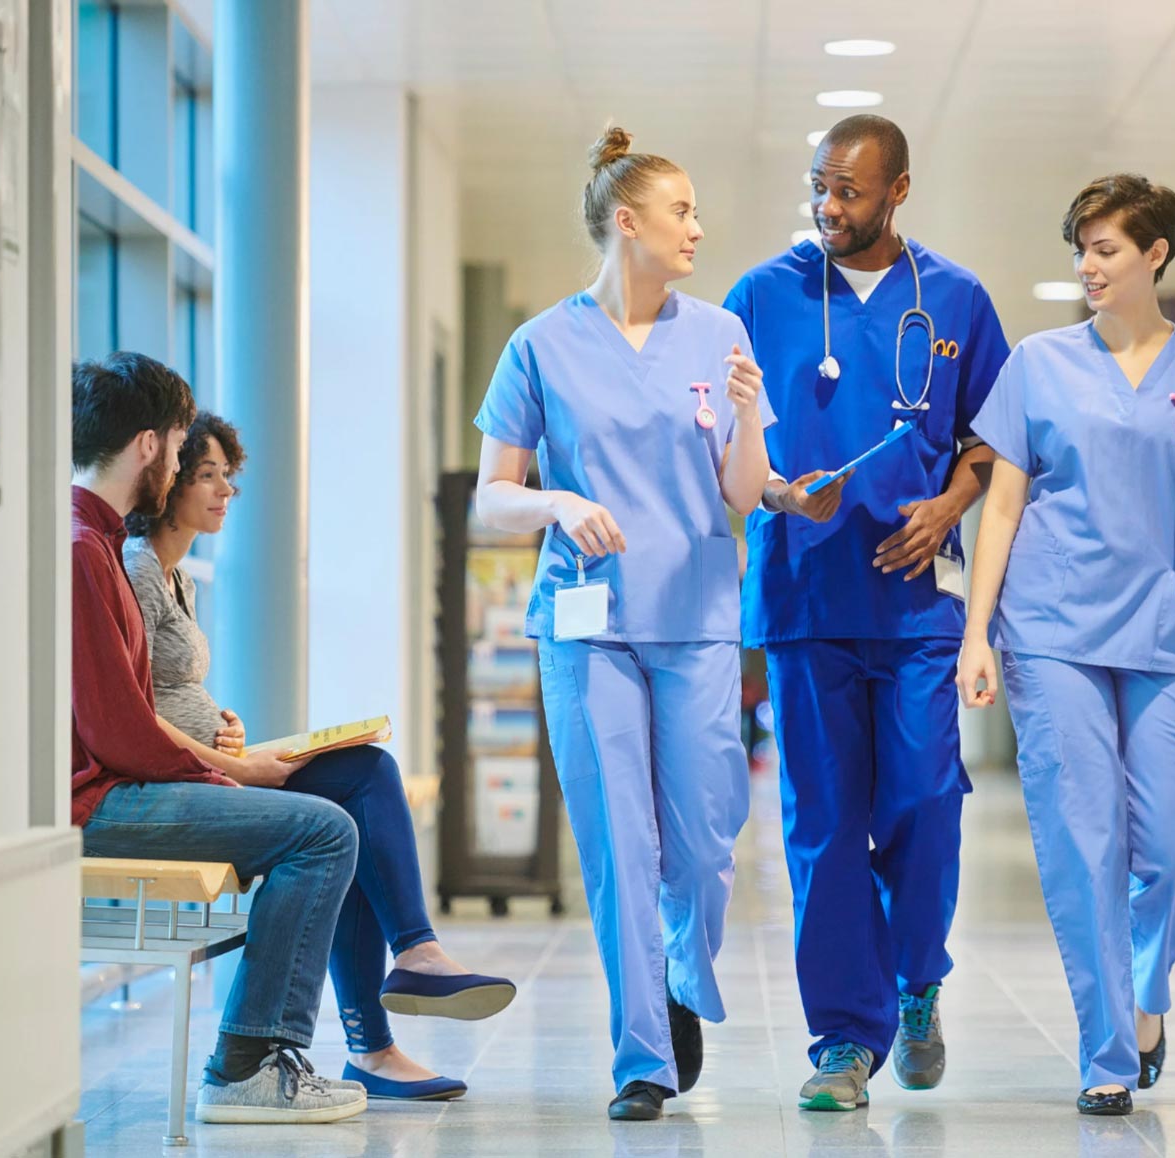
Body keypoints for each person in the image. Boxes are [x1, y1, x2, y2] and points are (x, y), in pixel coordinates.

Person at [957, 174, 1175, 1116]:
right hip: (1051, 633)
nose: (1087, 266)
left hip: (1160, 635)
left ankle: (1143, 993)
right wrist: (978, 633)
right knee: (1082, 842)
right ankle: (1106, 1054)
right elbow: (1005, 504)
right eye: (1080, 249)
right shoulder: (1039, 363)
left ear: (1156, 254)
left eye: (1104, 248)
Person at [471, 126, 773, 1121]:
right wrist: (556, 505)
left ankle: (683, 969)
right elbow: (491, 499)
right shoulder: (540, 345)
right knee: (616, 844)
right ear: (627, 222)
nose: (698, 226)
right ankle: (643, 1055)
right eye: (682, 210)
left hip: (693, 624)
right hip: (584, 626)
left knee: (698, 847)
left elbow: (742, 490)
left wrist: (754, 416)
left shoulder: (719, 333)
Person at [723, 114, 1009, 1112]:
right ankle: (844, 1041)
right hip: (804, 599)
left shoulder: (958, 301)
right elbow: (722, 449)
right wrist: (775, 494)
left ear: (898, 192)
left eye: (848, 191)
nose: (827, 209)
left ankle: (917, 977)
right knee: (824, 826)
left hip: (917, 605)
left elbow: (992, 441)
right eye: (818, 187)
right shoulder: (758, 299)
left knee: (927, 799)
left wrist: (949, 504)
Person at [122, 410, 516, 1102]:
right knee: (335, 821)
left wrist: (224, 723)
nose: (222, 492)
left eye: (228, 479)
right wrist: (232, 763)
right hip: (174, 786)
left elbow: (165, 686)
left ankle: (407, 976)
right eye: (207, 474)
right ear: (170, 479)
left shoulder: (177, 576)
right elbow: (131, 710)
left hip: (204, 767)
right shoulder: (135, 568)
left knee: (365, 771)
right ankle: (374, 1025)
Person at [69, 352, 367, 1125]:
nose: (178, 463)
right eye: (177, 447)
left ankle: (265, 1055)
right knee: (324, 832)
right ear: (148, 447)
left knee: (343, 797)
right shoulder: (84, 552)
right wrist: (228, 772)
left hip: (117, 787)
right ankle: (245, 1067)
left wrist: (224, 764)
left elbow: (133, 714)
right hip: (99, 805)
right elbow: (122, 732)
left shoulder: (93, 544)